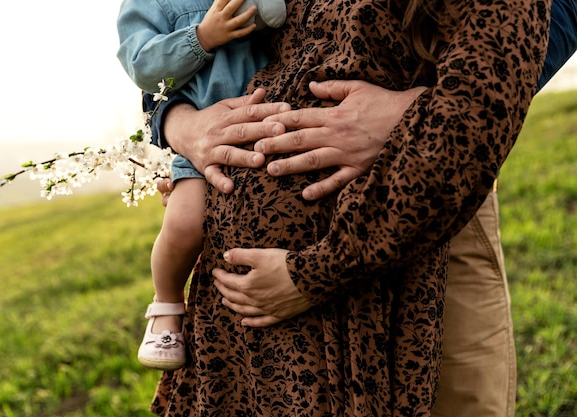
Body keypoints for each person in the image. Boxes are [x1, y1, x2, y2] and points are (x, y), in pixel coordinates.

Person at [152, 2, 576, 416]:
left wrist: (427, 107)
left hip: (425, 199)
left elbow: (508, 53)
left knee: (457, 399)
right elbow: (172, 34)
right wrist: (178, 123)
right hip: (245, 293)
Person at [115, 0, 285, 370]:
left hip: (267, 124)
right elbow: (142, 67)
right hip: (202, 141)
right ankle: (167, 304)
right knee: (184, 224)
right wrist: (201, 37)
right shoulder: (148, 6)